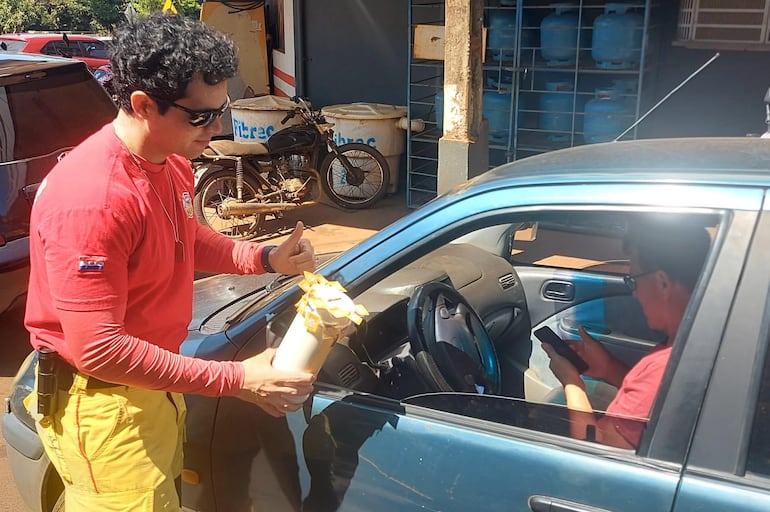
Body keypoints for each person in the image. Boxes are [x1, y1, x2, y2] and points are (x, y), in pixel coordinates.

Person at [23, 13, 316, 511]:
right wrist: (238, 379)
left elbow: (186, 240)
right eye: (201, 115)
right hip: (103, 407)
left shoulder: (171, 162)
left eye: (221, 109)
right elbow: (99, 350)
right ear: (142, 105)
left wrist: (266, 256)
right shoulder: (94, 200)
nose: (216, 127)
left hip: (153, 388)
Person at [542, 217, 711, 449]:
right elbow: (655, 404)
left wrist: (572, 383)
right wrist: (608, 367)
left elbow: (595, 455)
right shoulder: (695, 339)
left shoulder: (663, 368)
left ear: (662, 283)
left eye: (633, 280)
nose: (634, 293)